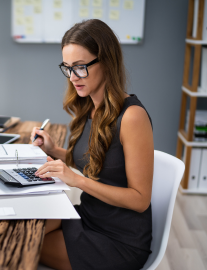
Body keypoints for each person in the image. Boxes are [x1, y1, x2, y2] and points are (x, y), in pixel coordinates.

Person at [31, 19, 154, 270]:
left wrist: (78, 181)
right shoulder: (91, 107)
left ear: (106, 61)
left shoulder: (132, 117)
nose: (73, 77)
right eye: (67, 68)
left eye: (80, 67)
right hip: (89, 216)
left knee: (24, 244)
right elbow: (99, 163)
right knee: (24, 226)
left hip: (119, 240)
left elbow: (140, 199)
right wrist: (54, 151)